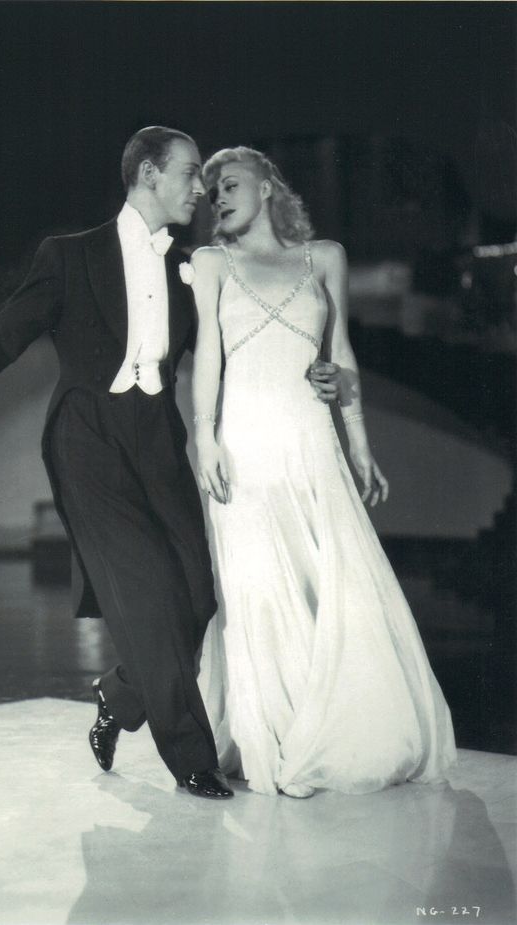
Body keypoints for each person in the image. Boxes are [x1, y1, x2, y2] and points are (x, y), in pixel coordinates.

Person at [0, 127, 338, 799]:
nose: (201, 187)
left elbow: (246, 344)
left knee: (197, 590)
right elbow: (7, 331)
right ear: (149, 175)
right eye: (191, 173)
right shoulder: (70, 256)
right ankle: (191, 759)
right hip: (87, 440)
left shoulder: (191, 266)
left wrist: (319, 373)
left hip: (156, 437)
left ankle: (116, 696)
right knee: (145, 597)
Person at [190, 146, 456, 798]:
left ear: (267, 183)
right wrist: (205, 439)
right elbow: (207, 360)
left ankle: (337, 727)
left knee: (334, 585)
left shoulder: (325, 258)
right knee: (256, 594)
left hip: (311, 442)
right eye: (208, 190)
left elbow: (342, 358)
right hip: (245, 446)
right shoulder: (210, 263)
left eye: (228, 183)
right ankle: (268, 738)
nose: (216, 195)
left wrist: (360, 447)